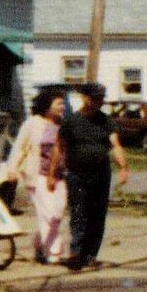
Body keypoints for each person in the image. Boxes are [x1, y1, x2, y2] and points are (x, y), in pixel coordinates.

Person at [54, 81, 129, 271]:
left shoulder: (106, 121)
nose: (99, 102)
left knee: (97, 215)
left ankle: (90, 256)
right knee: (79, 213)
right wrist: (52, 172)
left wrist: (123, 167)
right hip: (76, 174)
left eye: (101, 98)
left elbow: (115, 144)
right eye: (95, 98)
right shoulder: (71, 121)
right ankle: (76, 253)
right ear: (84, 98)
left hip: (101, 175)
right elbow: (59, 147)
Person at [2, 88, 69, 264]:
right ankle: (54, 253)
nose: (62, 107)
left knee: (57, 213)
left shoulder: (63, 125)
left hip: (59, 175)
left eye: (63, 103)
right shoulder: (32, 123)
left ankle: (40, 244)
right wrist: (12, 168)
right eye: (59, 103)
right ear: (47, 105)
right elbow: (20, 147)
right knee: (48, 213)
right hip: (37, 175)